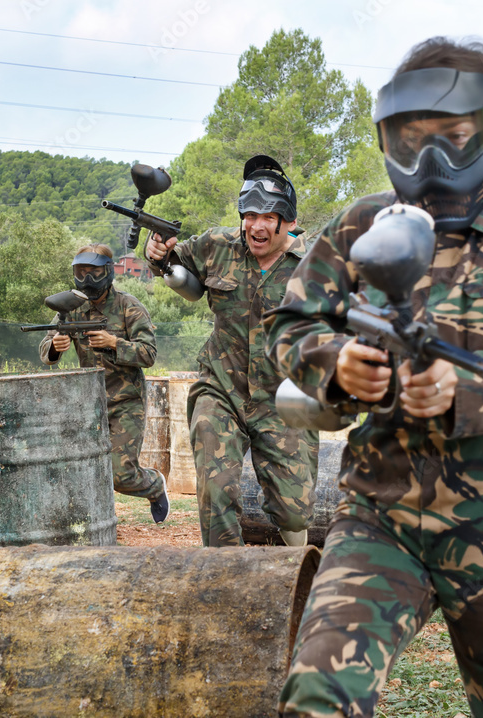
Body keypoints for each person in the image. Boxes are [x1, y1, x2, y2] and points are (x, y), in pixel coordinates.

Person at [266, 37, 483, 718]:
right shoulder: (360, 224)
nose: (429, 161)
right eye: (410, 142)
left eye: (453, 138)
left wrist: (462, 392)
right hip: (383, 512)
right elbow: (291, 322)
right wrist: (336, 363)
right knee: (319, 696)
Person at [146, 155, 319, 548]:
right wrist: (157, 255)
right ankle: (223, 580)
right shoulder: (217, 245)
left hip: (284, 398)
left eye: (268, 216)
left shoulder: (316, 266)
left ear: (288, 221)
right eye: (250, 215)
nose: (256, 225)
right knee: (216, 491)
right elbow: (173, 263)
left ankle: (299, 575)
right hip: (221, 389)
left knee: (294, 511)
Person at [39, 243, 170, 524]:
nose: (86, 279)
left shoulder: (128, 307)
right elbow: (45, 352)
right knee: (81, 467)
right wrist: (56, 345)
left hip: (126, 403)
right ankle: (93, 519)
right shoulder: (71, 308)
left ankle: (154, 485)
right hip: (88, 402)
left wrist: (115, 343)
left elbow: (149, 354)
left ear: (108, 272)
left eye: (93, 272)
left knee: (121, 475)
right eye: (81, 272)